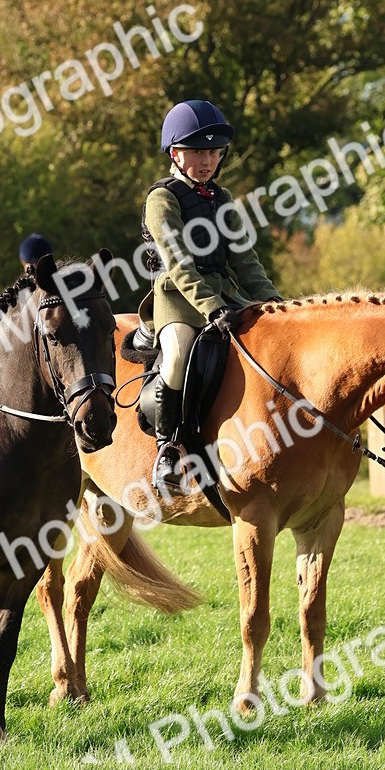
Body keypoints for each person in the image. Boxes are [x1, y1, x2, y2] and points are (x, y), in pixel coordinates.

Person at [139, 98, 282, 489]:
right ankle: (168, 449)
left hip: (225, 295)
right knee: (179, 355)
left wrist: (277, 305)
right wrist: (212, 306)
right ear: (175, 152)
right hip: (177, 300)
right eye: (199, 151)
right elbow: (179, 263)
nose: (208, 160)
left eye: (215, 152)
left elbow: (246, 261)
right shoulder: (162, 198)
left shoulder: (222, 198)